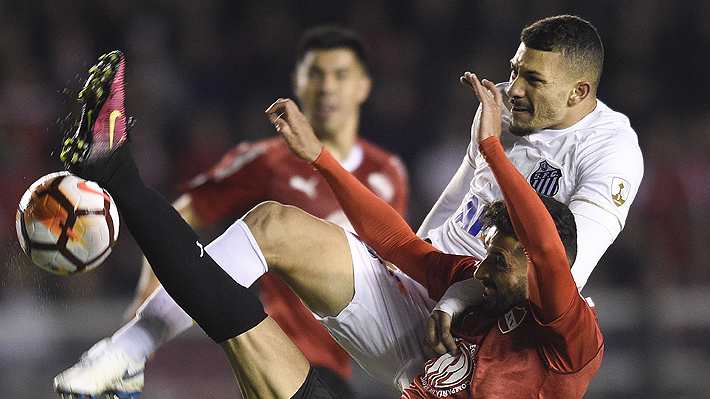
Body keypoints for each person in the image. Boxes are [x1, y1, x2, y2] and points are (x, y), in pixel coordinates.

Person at [59, 13, 642, 396]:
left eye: (531, 80)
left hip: (483, 336)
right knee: (272, 226)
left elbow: (552, 265)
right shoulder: (501, 124)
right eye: (514, 70)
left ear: (578, 93)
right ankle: (130, 346)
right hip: (424, 300)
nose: (512, 87)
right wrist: (322, 159)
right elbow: (414, 243)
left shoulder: (611, 155)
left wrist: (457, 302)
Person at [54, 26, 408, 398]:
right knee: (271, 226)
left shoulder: (388, 173)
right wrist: (149, 298)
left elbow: (395, 264)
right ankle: (131, 344)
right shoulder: (267, 161)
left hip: (345, 366)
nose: (327, 87)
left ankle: (130, 347)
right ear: (298, 83)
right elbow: (187, 212)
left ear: (364, 86)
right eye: (315, 74)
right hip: (276, 346)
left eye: (340, 75)